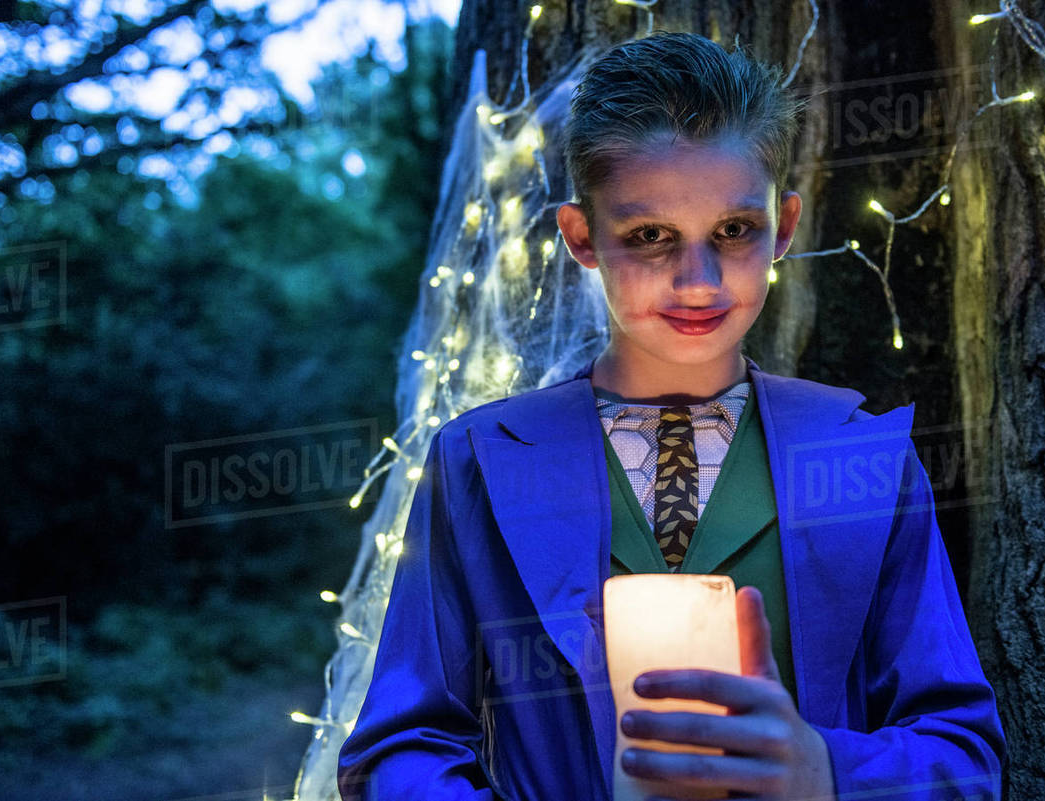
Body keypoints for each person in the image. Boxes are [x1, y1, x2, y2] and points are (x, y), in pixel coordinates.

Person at [337, 30, 1006, 801]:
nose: (697, 280)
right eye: (650, 236)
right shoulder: (478, 459)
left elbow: (965, 755)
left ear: (782, 227)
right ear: (584, 238)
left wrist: (827, 772)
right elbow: (403, 739)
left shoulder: (868, 457)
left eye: (733, 230)